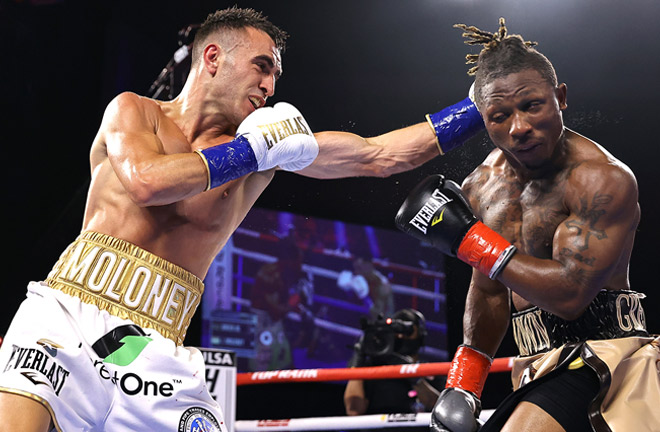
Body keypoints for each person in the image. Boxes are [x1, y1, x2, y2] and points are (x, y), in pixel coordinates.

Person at [0, 6, 485, 432]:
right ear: (212, 58)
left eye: (275, 76)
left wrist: (482, 106)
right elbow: (147, 181)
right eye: (262, 66)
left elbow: (379, 155)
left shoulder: (266, 153)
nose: (271, 86)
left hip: (155, 346)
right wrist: (247, 151)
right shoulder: (135, 112)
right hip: (65, 311)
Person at [396, 18, 660, 432]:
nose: (518, 127)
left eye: (531, 105)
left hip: (606, 356)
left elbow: (571, 295)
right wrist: (466, 381)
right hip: (535, 363)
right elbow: (488, 290)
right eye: (500, 115)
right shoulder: (481, 187)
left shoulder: (601, 179)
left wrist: (468, 238)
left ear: (561, 98)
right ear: (483, 119)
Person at [343, 309, 441, 418]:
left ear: (420, 334)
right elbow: (353, 410)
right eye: (397, 331)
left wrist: (413, 376)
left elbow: (439, 408)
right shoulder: (374, 369)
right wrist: (358, 359)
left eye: (407, 330)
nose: (401, 336)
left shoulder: (431, 371)